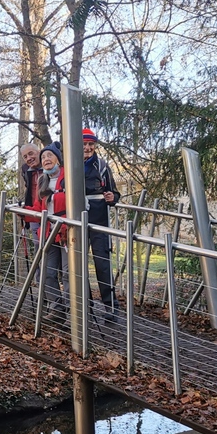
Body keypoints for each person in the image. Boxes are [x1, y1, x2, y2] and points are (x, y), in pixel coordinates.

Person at [22, 143, 68, 325]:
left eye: (50, 156)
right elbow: (38, 208)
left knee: (68, 273)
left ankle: (75, 312)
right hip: (48, 232)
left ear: (58, 158)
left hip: (67, 232)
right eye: (44, 158)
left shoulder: (69, 177)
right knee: (48, 273)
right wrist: (21, 211)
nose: (46, 160)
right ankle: (57, 309)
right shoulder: (43, 180)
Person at [82, 128, 121, 318]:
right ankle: (85, 305)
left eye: (91, 144)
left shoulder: (102, 166)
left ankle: (110, 306)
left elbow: (115, 194)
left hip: (99, 220)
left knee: (102, 263)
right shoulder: (67, 165)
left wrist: (112, 196)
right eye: (84, 144)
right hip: (75, 219)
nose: (88, 148)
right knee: (77, 263)